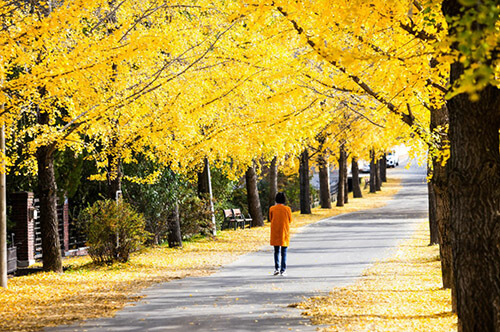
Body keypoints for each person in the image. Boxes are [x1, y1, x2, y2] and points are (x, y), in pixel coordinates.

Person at [269, 192, 292, 276]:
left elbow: (271, 218)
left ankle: (276, 268)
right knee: (284, 252)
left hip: (275, 231)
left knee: (276, 251)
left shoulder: (272, 208)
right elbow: (290, 220)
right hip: (284, 232)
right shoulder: (287, 209)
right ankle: (283, 270)